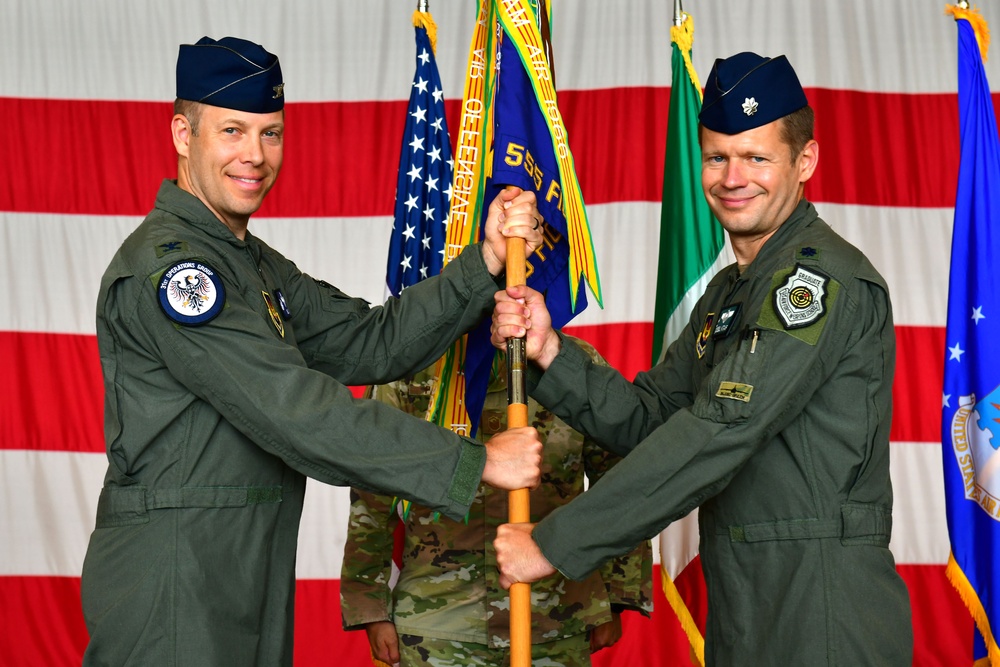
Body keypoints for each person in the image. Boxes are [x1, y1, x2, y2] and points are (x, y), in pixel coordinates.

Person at [80, 36, 547, 666]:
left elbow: (370, 341)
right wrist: (473, 462)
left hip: (241, 561)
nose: (255, 155)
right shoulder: (179, 272)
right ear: (182, 134)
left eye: (271, 134)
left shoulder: (251, 264)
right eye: (233, 131)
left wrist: (485, 260)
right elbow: (295, 411)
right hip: (175, 574)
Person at [489, 52, 914, 665]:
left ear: (805, 161)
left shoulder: (818, 284)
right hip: (746, 604)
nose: (732, 177)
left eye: (756, 157)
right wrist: (551, 353)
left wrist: (556, 542)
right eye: (717, 156)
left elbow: (720, 427)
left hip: (822, 609)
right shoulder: (729, 294)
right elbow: (652, 418)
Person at [340, 337, 653, 667]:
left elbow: (620, 479)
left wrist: (617, 595)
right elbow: (373, 488)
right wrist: (370, 606)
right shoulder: (411, 362)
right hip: (439, 622)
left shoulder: (572, 362)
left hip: (558, 617)